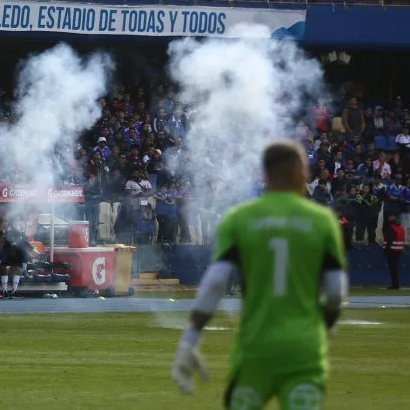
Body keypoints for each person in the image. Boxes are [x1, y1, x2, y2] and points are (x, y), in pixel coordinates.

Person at [172, 141, 347, 409]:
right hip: (305, 351)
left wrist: (190, 339)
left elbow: (215, 284)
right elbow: (336, 292)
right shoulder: (322, 220)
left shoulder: (239, 219)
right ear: (297, 172)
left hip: (255, 349)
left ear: (265, 175)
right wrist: (322, 328)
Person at [381, 214, 404, 290]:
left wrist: (385, 249)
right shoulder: (400, 227)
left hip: (391, 250)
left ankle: (395, 285)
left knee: (392, 268)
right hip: (398, 250)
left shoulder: (390, 227)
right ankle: (395, 284)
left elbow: (389, 240)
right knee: (395, 268)